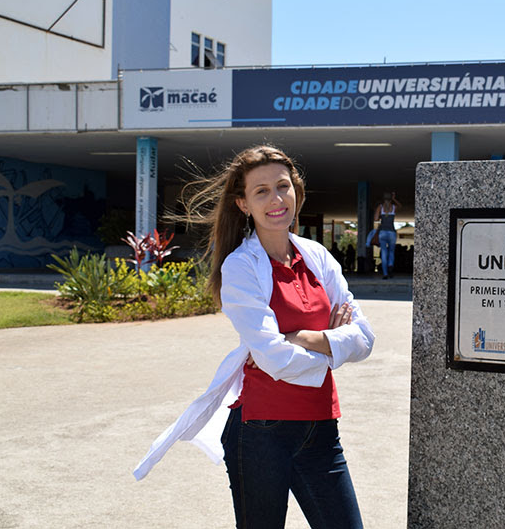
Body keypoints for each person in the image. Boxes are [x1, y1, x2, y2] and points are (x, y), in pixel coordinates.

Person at [133, 145, 375, 529]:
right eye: (261, 191)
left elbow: (363, 338)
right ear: (243, 204)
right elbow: (274, 359)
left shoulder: (317, 257)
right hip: (262, 433)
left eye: (283, 186)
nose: (276, 199)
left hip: (321, 429)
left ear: (297, 190)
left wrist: (299, 337)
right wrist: (330, 340)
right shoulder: (241, 267)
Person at [374, 192, 401, 279]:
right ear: (390, 199)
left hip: (382, 232)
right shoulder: (393, 207)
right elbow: (400, 206)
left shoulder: (380, 207)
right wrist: (394, 199)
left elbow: (375, 219)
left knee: (384, 253)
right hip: (392, 232)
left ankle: (385, 274)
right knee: (391, 252)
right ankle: (390, 265)